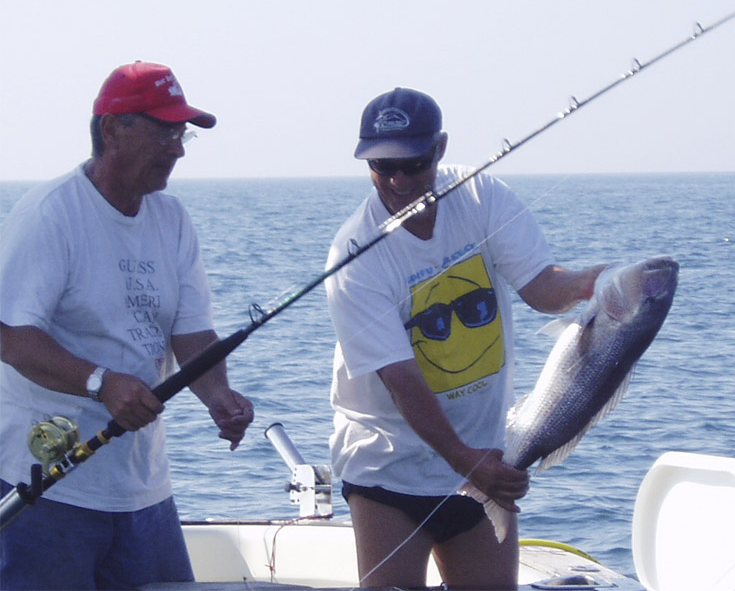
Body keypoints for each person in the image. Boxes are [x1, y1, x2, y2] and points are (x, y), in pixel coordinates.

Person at [324, 87, 607, 589]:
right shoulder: (353, 256)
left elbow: (542, 287)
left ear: (440, 149)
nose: (398, 180)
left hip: (485, 458)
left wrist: (593, 284)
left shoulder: (481, 196)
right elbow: (401, 379)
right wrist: (465, 461)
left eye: (413, 164)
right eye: (382, 166)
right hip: (390, 467)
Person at [0, 61, 255, 590]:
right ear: (113, 129)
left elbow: (192, 330)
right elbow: (11, 337)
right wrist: (101, 382)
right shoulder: (50, 213)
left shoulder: (172, 218)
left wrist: (219, 397)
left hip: (143, 488)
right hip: (48, 486)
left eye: (182, 134)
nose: (177, 149)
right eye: (164, 132)